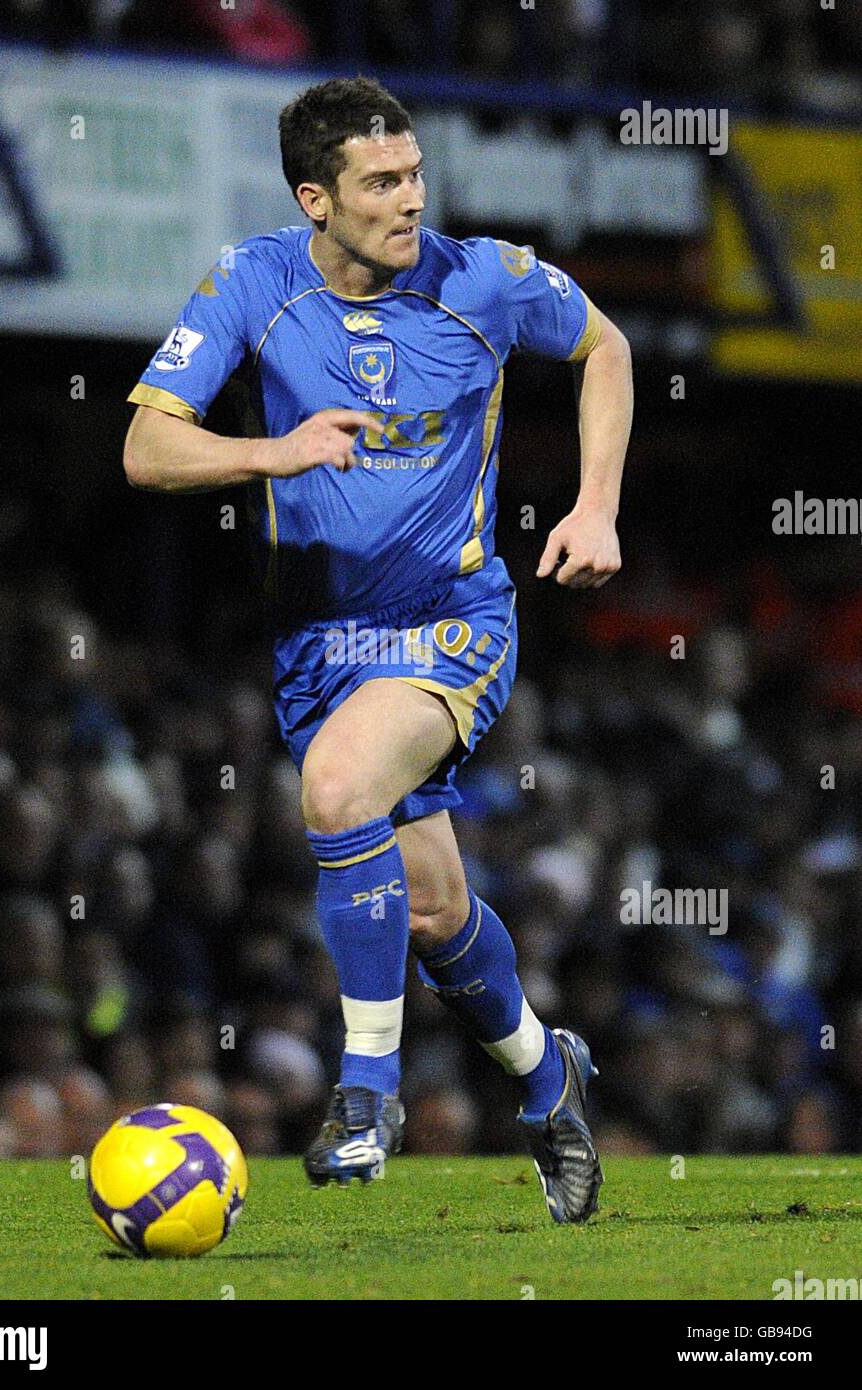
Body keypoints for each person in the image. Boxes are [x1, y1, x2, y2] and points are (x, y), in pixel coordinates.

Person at [122, 76, 632, 1223]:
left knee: (336, 787)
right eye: (381, 183)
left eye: (414, 174)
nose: (411, 200)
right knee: (441, 909)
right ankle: (552, 1084)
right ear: (317, 198)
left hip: (451, 623)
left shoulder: (485, 281)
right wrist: (277, 450)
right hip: (319, 645)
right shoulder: (254, 283)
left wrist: (595, 504)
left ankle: (366, 1091)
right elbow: (149, 448)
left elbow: (608, 348)